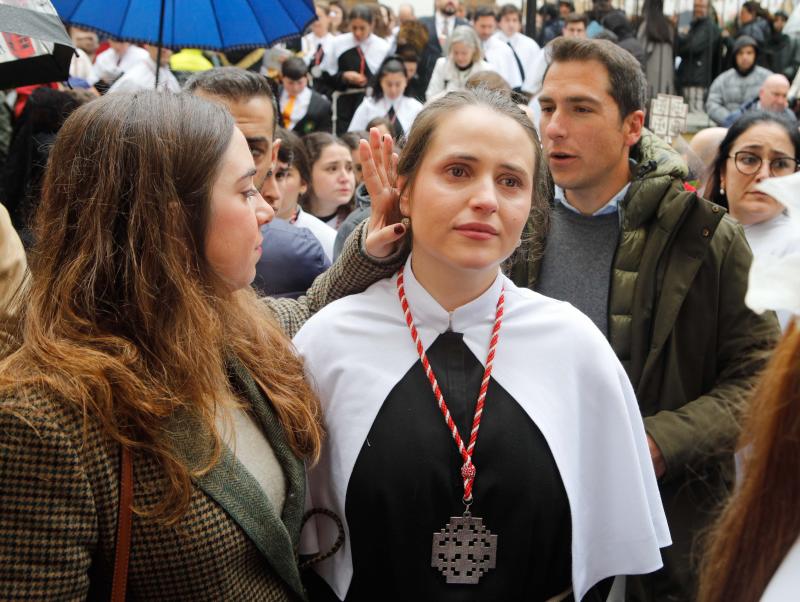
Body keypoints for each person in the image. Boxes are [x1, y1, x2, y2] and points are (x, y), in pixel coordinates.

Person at [295, 86, 669, 602]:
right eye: (458, 171)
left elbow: (603, 566)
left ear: (531, 207)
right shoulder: (329, 343)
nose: (486, 199)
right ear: (404, 188)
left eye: (510, 181)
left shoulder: (575, 347)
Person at [519, 37, 780, 600]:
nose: (555, 127)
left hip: (660, 538)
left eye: (581, 108)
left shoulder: (704, 237)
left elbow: (759, 379)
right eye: (546, 107)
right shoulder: (510, 226)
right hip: (525, 522)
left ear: (632, 125)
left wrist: (656, 443)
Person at [706, 112, 800, 330]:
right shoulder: (694, 234)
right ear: (723, 172)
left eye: (780, 163)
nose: (764, 175)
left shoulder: (794, 248)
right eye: (749, 159)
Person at [322, 5, 390, 134]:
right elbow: (326, 74)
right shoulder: (338, 43)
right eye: (354, 28)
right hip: (344, 103)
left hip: (371, 102)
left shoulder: (382, 47)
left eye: (362, 28)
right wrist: (344, 76)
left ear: (372, 24)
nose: (358, 33)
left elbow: (385, 76)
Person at [274, 128, 337, 261]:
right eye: (263, 173)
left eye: (281, 175)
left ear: (303, 183)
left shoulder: (327, 240)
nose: (270, 186)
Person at [348, 56, 423, 138]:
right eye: (389, 84)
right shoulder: (368, 105)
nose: (393, 90)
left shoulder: (416, 107)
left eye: (398, 84)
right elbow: (353, 135)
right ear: (381, 82)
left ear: (406, 81)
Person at [706, 36, 772, 125]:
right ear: (734, 56)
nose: (745, 57)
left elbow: (775, 104)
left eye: (749, 53)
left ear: (755, 55)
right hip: (728, 131)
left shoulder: (768, 78)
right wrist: (731, 120)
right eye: (740, 53)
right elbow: (712, 104)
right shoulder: (723, 79)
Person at [300, 132, 355, 229]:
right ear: (307, 173)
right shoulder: (288, 221)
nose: (345, 178)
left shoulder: (360, 224)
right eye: (333, 168)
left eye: (349, 168)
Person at [676, 0, 722, 113]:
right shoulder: (697, 25)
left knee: (695, 114)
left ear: (708, 9)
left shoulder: (708, 27)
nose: (698, 9)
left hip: (697, 80)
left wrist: (681, 43)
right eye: (696, 6)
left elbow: (692, 47)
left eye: (701, 6)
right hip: (690, 77)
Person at [417, 0, 470, 93]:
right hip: (423, 86)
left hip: (456, 90)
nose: (450, 1)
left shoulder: (466, 27)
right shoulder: (421, 24)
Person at [425, 26, 491, 100]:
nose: (460, 57)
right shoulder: (442, 64)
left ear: (474, 50)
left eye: (464, 53)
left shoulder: (485, 69)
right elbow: (430, 96)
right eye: (456, 52)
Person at [494, 3, 543, 95]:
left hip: (526, 93)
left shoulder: (530, 44)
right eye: (507, 20)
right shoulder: (493, 44)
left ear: (520, 23)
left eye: (515, 20)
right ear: (499, 22)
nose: (511, 24)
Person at [472, 7, 523, 91]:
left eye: (490, 26)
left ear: (495, 25)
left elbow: (514, 82)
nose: (486, 31)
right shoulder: (465, 47)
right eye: (483, 26)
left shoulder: (504, 49)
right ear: (474, 23)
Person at [280, 57, 332, 136]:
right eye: (290, 83)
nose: (295, 88)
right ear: (282, 78)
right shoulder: (273, 93)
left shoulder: (322, 105)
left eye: (300, 83)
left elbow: (324, 135)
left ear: (307, 78)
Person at [722, 73, 796, 126]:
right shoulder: (737, 119)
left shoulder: (791, 118)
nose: (780, 101)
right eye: (776, 94)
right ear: (761, 93)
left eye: (784, 96)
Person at [637, 0, 676, 97]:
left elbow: (640, 51)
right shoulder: (668, 27)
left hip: (650, 72)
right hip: (667, 74)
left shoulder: (646, 26)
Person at [108, 44, 181, 93]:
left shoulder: (170, 76)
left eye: (168, 45)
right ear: (147, 45)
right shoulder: (134, 80)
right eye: (158, 44)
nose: (164, 49)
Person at [765, 10, 800, 80]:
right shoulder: (769, 39)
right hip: (770, 79)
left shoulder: (795, 40)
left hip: (787, 80)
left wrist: (785, 75)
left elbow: (796, 63)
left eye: (783, 20)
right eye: (776, 20)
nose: (779, 23)